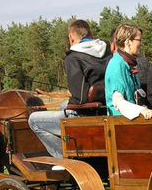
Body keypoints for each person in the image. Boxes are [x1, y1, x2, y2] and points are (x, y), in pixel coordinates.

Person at [28, 19, 110, 158]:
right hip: (104, 109)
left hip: (84, 115)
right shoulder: (107, 53)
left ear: (71, 38)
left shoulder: (73, 58)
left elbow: (79, 98)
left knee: (33, 120)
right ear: (92, 33)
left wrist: (72, 100)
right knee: (62, 105)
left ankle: (64, 158)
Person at [105, 23, 152, 120]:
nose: (141, 43)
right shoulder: (116, 65)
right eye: (139, 40)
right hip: (120, 123)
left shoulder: (127, 64)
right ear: (128, 42)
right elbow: (118, 102)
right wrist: (141, 110)